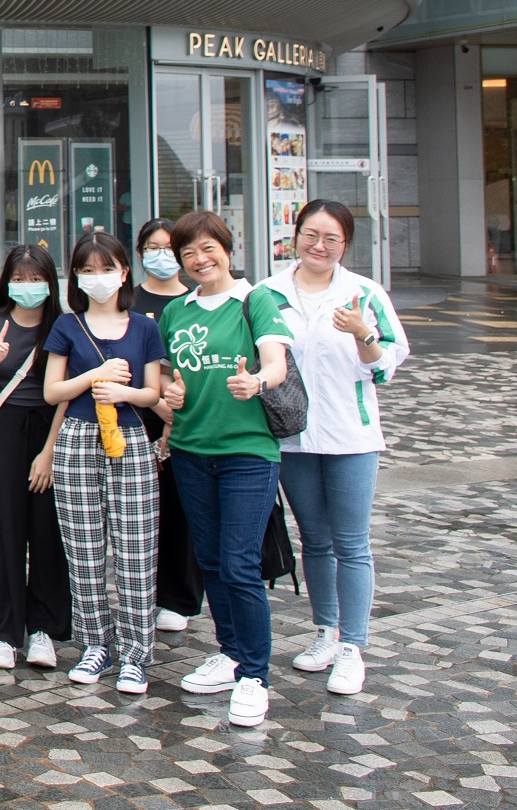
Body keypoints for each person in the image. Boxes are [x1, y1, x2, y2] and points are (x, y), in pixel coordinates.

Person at [262, 200, 410, 697]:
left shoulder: (364, 294)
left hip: (351, 436)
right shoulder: (269, 293)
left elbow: (387, 364)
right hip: (294, 437)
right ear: (295, 236)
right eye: (310, 235)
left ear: (345, 244)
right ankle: (325, 631)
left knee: (352, 542)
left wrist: (363, 334)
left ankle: (353, 647)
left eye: (330, 238)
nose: (318, 246)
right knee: (315, 540)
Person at [157, 209, 293, 728]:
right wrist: (171, 396)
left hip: (248, 453)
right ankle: (231, 651)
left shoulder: (255, 300)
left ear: (227, 248)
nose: (199, 259)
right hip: (192, 450)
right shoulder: (177, 311)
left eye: (207, 248)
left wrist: (257, 382)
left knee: (239, 564)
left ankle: (255, 676)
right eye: (188, 253)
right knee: (212, 560)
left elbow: (276, 362)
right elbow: (173, 380)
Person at [43, 231, 166, 694]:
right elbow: (54, 391)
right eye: (88, 270)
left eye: (107, 268)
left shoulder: (145, 328)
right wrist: (94, 375)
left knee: (136, 546)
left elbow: (153, 392)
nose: (98, 278)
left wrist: (125, 393)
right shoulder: (68, 326)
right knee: (83, 545)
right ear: (75, 275)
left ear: (124, 272)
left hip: (130, 438)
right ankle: (95, 643)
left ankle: (136, 652)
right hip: (77, 437)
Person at [0, 245, 71, 671]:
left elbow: (67, 394)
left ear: (51, 282)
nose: (28, 288)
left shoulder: (63, 326)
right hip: (7, 426)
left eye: (36, 279)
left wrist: (49, 451)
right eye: (20, 279)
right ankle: (4, 632)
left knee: (48, 531)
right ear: (6, 280)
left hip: (53, 427)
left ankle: (43, 629)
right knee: (7, 529)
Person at [132, 216, 202, 635]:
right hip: (137, 417)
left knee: (182, 510)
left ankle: (180, 597)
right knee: (141, 514)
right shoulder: (130, 301)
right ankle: (143, 592)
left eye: (169, 247)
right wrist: (159, 406)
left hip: (190, 419)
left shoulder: (196, 301)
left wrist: (174, 413)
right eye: (152, 248)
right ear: (139, 254)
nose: (161, 256)